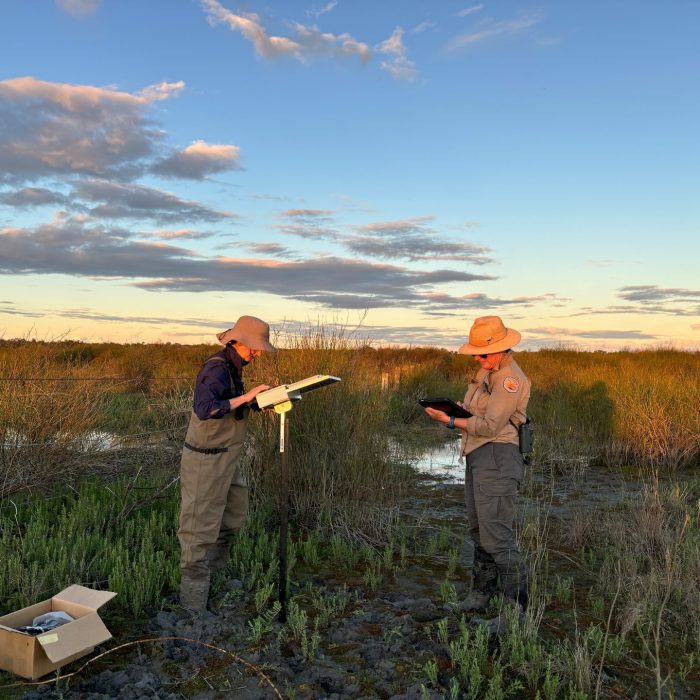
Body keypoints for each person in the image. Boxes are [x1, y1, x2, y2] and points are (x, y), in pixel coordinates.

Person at [424, 315, 530, 625]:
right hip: (478, 455)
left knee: (498, 536)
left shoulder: (510, 379)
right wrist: (458, 411)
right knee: (479, 530)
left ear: (500, 349)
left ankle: (516, 612)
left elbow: (490, 425)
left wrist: (452, 421)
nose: (478, 358)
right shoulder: (487, 371)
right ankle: (480, 596)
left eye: (482, 353)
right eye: (475, 354)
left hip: (498, 457)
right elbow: (479, 415)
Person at [178, 315, 276, 612]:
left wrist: (259, 401)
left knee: (233, 518)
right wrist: (246, 396)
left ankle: (214, 581)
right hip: (205, 461)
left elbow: (231, 404)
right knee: (198, 532)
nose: (257, 353)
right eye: (254, 348)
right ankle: (193, 606)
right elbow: (206, 408)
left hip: (227, 459)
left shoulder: (234, 369)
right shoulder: (216, 368)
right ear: (238, 341)